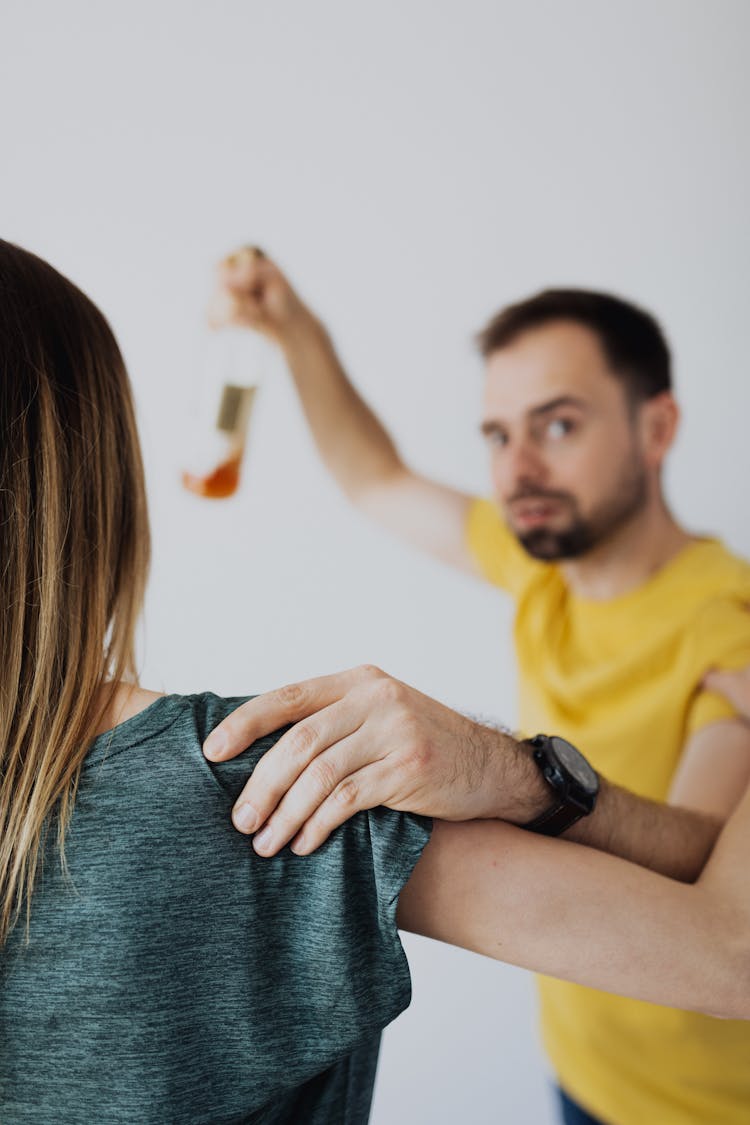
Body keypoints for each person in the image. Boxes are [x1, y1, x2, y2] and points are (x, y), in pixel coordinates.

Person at [205, 247, 750, 1125]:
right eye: (498, 435)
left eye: (558, 425)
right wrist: (294, 330)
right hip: (582, 1068)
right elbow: (375, 476)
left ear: (656, 428)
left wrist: (510, 771)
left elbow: (704, 896)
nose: (518, 469)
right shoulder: (545, 565)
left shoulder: (727, 625)